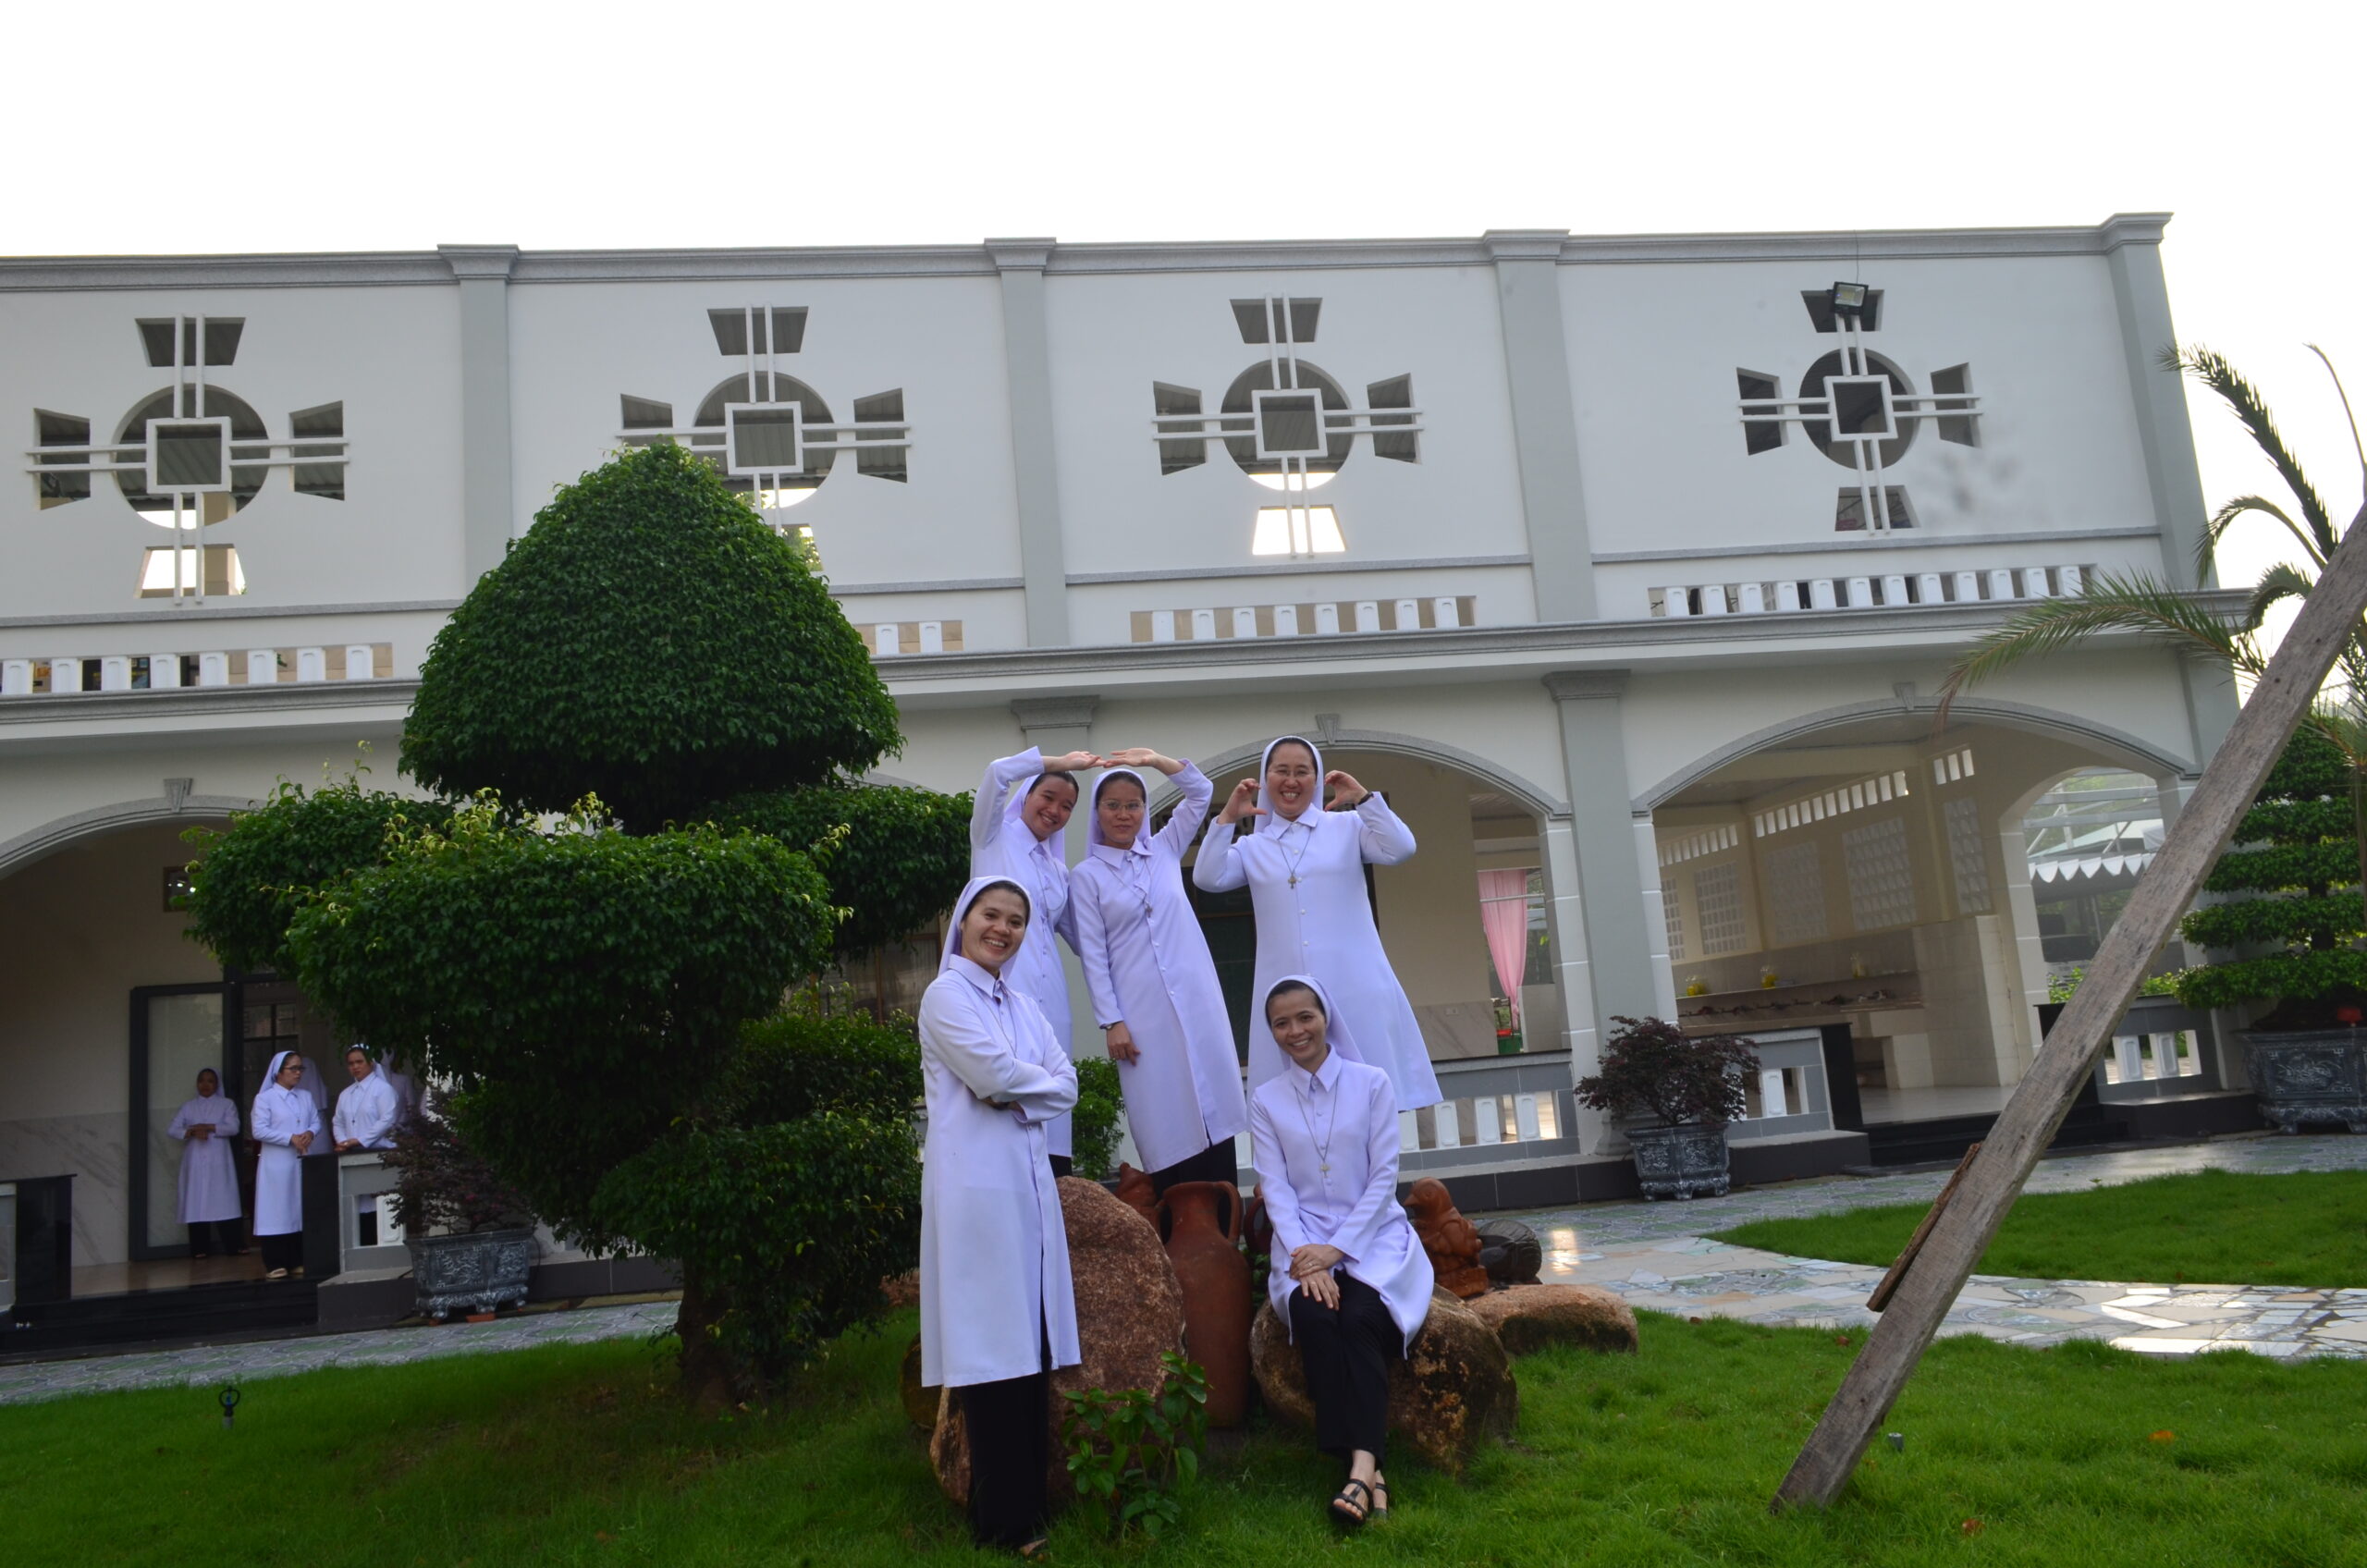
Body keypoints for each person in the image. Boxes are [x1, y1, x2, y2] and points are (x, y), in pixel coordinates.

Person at [919, 877, 1082, 1556]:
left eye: (1016, 921)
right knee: (991, 1351)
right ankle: (1006, 1522)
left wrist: (1015, 1090)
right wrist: (1018, 1086)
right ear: (964, 919)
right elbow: (989, 1077)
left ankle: (1020, 1509)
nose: (1003, 929)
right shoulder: (945, 996)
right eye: (992, 915)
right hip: (976, 1192)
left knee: (1029, 1345)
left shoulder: (1023, 1004)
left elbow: (1067, 1084)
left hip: (1027, 1191)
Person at [1248, 976, 1433, 1527]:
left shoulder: (1371, 1083)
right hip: (1301, 1239)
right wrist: (1307, 1255)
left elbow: (1383, 1178)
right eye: (1281, 1023)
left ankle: (1358, 1468)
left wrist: (1336, 1251)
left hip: (1373, 1236)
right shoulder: (1266, 1099)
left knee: (1359, 1320)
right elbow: (1276, 1188)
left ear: (1325, 1017)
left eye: (1304, 1017)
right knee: (1314, 1317)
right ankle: (1369, 1471)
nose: (1295, 1031)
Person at [1192, 735, 1441, 1111]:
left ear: (1317, 777)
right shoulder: (1253, 847)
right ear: (1265, 779)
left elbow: (1401, 848)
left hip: (1353, 983)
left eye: (1302, 772)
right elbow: (1207, 877)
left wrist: (1364, 799)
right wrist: (1226, 818)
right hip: (1288, 994)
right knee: (1298, 1111)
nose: (1291, 781)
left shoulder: (1348, 826)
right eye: (1281, 771)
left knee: (1370, 1101)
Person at [1070, 750, 1249, 1193]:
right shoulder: (1087, 876)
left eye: (1133, 805)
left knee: (1213, 1104)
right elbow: (1093, 954)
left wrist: (1154, 760)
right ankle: (1177, 1217)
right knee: (1162, 1108)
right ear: (1097, 812)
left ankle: (1225, 1221)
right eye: (1113, 805)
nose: (1123, 814)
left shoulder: (1165, 849)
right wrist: (1111, 1021)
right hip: (1140, 1011)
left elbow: (1201, 791)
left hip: (1196, 998)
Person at [971, 745, 1098, 1175]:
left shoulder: (1058, 872)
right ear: (1027, 795)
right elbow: (996, 772)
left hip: (1052, 1000)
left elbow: (1086, 941)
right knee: (1007, 1095)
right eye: (1048, 797)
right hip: (1004, 990)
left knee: (1052, 1091)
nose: (1055, 810)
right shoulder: (993, 839)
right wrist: (1059, 763)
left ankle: (1056, 1179)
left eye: (1067, 806)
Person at [250, 1049, 321, 1280]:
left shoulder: (306, 1096)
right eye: (293, 1068)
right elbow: (259, 1130)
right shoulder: (265, 1098)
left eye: (300, 1068)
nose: (298, 1073)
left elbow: (316, 1121)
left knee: (297, 1207)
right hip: (276, 1164)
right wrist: (290, 1138)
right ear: (278, 1072)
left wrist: (310, 1133)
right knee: (276, 1210)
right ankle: (275, 1262)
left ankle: (297, 1259)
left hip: (299, 1161)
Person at [166, 1068, 244, 1258]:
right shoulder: (188, 1107)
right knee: (197, 1202)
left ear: (216, 1084)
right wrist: (192, 1131)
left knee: (223, 1201)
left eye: (210, 1081)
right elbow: (172, 1129)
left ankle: (233, 1246)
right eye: (201, 1080)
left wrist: (208, 1127)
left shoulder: (226, 1104)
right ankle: (199, 1248)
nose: (205, 1084)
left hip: (219, 1161)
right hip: (195, 1160)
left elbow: (233, 1127)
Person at [332, 1046, 400, 1151]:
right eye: (351, 1063)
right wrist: (343, 1142)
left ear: (371, 1062)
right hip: (350, 1153)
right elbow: (338, 1122)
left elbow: (387, 1120)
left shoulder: (383, 1089)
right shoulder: (345, 1094)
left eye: (359, 1062)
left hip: (381, 1151)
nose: (355, 1066)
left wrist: (361, 1140)